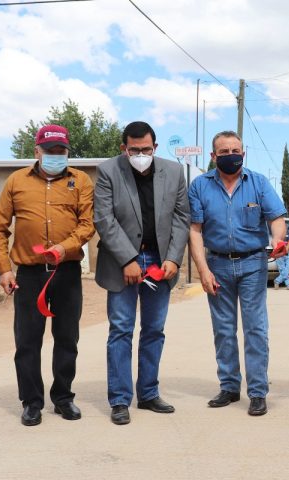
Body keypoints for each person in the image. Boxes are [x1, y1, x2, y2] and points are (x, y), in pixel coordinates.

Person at [0, 124, 95, 426]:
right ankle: (32, 401)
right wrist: (5, 269)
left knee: (66, 338)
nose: (55, 155)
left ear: (67, 151)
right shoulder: (16, 181)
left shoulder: (81, 180)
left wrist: (65, 247)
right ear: (37, 151)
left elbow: (87, 224)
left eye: (61, 150)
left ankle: (63, 398)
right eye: (50, 151)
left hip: (67, 272)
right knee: (27, 341)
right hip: (28, 274)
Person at [94, 121, 190, 426]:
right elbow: (104, 219)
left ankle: (148, 393)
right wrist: (127, 259)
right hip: (123, 263)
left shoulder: (174, 172)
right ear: (124, 149)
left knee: (154, 330)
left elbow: (181, 217)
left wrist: (174, 258)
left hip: (160, 262)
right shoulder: (109, 171)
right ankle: (120, 399)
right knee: (121, 329)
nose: (140, 154)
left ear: (155, 148)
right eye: (134, 150)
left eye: (145, 149)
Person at [189, 130, 287, 417]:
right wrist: (202, 270)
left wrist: (278, 241)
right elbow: (195, 230)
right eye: (225, 152)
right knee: (223, 329)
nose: (232, 156)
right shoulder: (200, 186)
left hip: (252, 264)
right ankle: (229, 386)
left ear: (243, 153)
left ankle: (257, 392)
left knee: (256, 328)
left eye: (237, 151)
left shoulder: (258, 183)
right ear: (213, 156)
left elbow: (277, 218)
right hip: (217, 264)